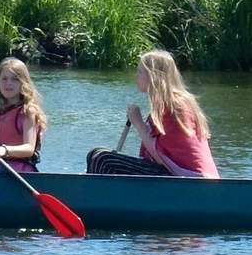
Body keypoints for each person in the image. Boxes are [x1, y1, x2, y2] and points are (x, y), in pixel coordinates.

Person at [86, 50, 219, 178]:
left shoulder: (174, 106)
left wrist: (138, 123)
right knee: (95, 154)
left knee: (103, 159)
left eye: (140, 72)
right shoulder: (164, 105)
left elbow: (161, 157)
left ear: (153, 76)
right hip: (176, 175)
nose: (135, 77)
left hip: (191, 180)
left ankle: (96, 200)